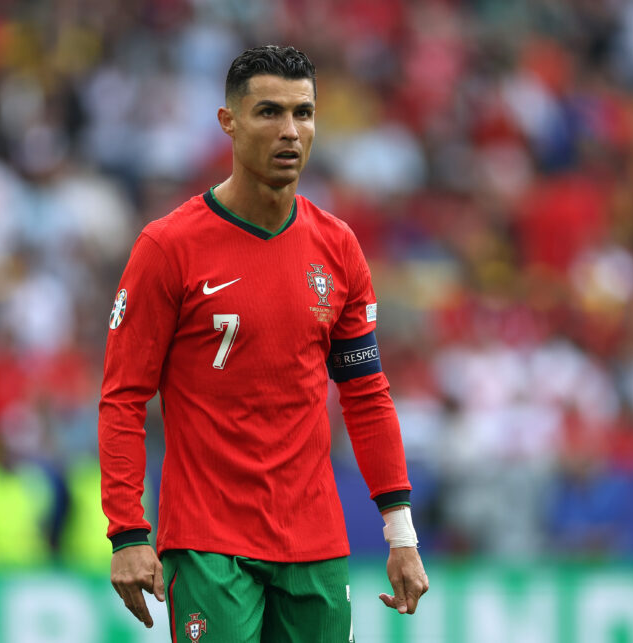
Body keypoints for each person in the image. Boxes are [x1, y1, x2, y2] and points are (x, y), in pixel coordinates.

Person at [98, 45, 428, 642]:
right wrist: (128, 532)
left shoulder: (338, 247)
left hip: (315, 538)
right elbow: (123, 398)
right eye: (269, 113)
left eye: (303, 114)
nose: (290, 131)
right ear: (229, 122)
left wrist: (400, 536)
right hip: (207, 541)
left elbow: (366, 395)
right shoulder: (168, 247)